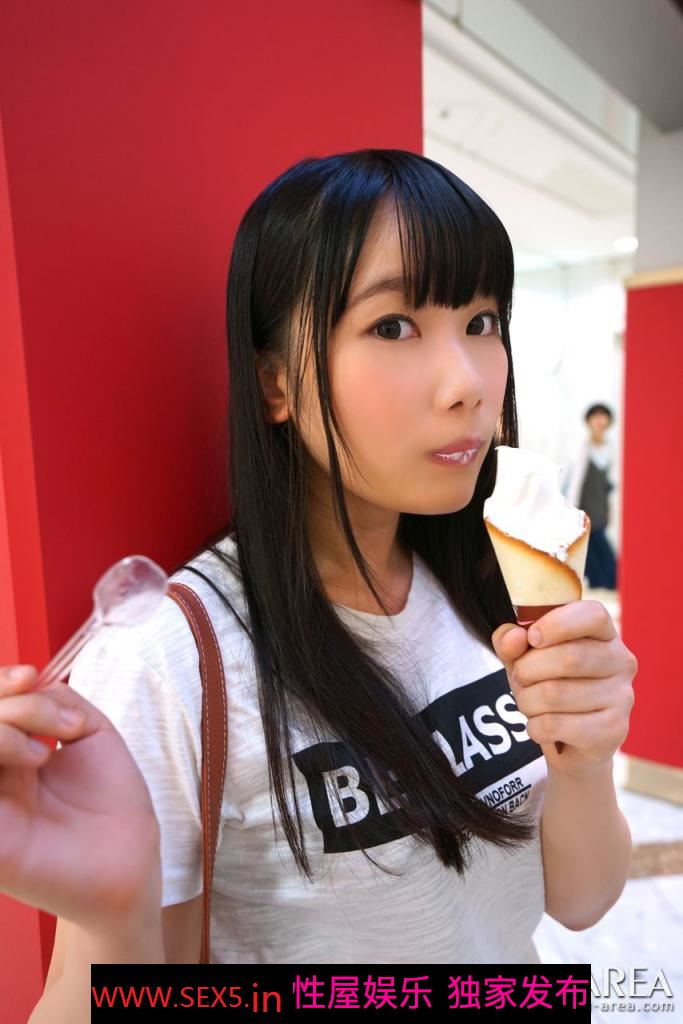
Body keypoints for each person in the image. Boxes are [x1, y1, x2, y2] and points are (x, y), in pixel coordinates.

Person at [0, 150, 637, 1016]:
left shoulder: (489, 585)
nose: (467, 385)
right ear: (274, 382)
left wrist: (584, 761)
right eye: (393, 326)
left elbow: (579, 899)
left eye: (481, 320)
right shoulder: (170, 659)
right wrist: (112, 919)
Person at [564, 403, 618, 590]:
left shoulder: (610, 449)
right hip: (585, 509)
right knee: (594, 551)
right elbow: (576, 481)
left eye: (603, 417)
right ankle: (603, 584)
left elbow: (608, 484)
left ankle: (604, 584)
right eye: (596, 417)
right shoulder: (584, 448)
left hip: (600, 509)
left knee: (597, 550)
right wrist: (572, 509)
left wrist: (610, 510)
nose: (599, 421)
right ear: (589, 422)